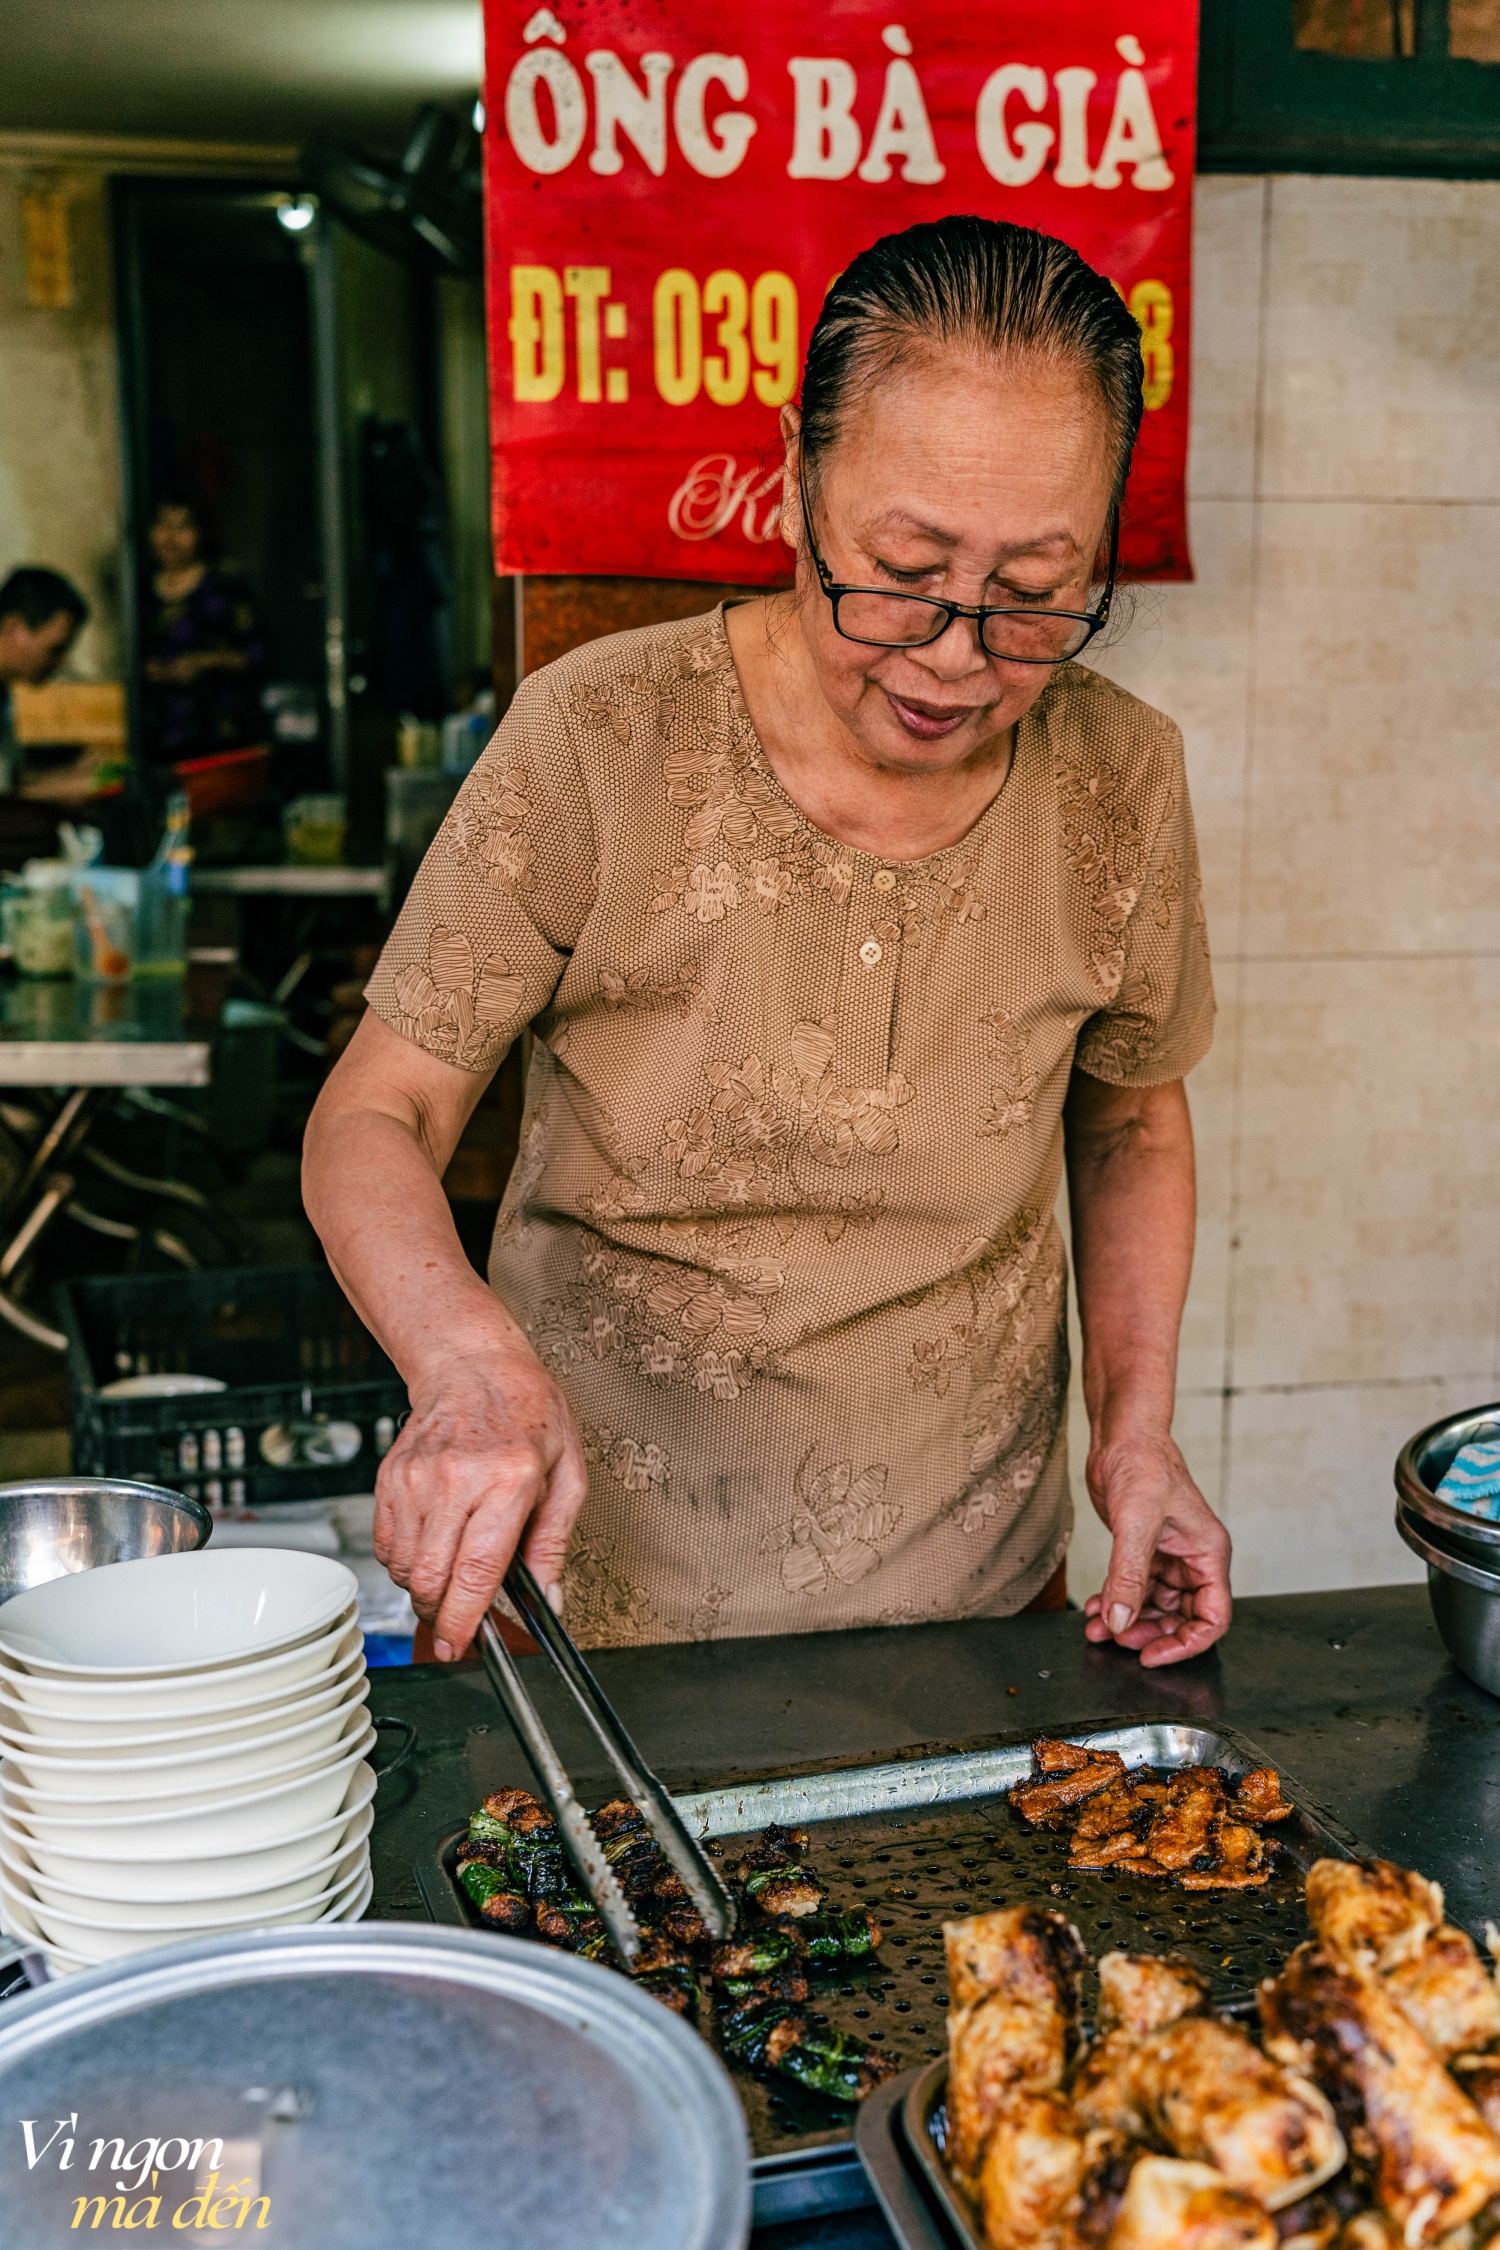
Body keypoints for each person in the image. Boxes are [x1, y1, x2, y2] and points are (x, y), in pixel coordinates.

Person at [304, 215, 1230, 1671]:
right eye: (904, 569)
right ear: (798, 478)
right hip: (597, 1618)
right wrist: (464, 1361)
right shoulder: (599, 737)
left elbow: (1129, 1123)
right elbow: (375, 1112)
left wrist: (1137, 1431)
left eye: (1038, 596)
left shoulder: (1121, 777)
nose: (954, 655)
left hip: (983, 1618)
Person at [139, 497, 268, 766]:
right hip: (157, 734)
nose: (171, 538)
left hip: (218, 732)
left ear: (201, 534)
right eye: (163, 526)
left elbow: (259, 654)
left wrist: (203, 663)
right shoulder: (139, 588)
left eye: (183, 527)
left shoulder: (224, 585)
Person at [0, 567, 89, 791]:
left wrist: (72, 774)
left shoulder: (4, 693)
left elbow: (10, 780)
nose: (61, 663)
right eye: (55, 649)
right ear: (13, 628)